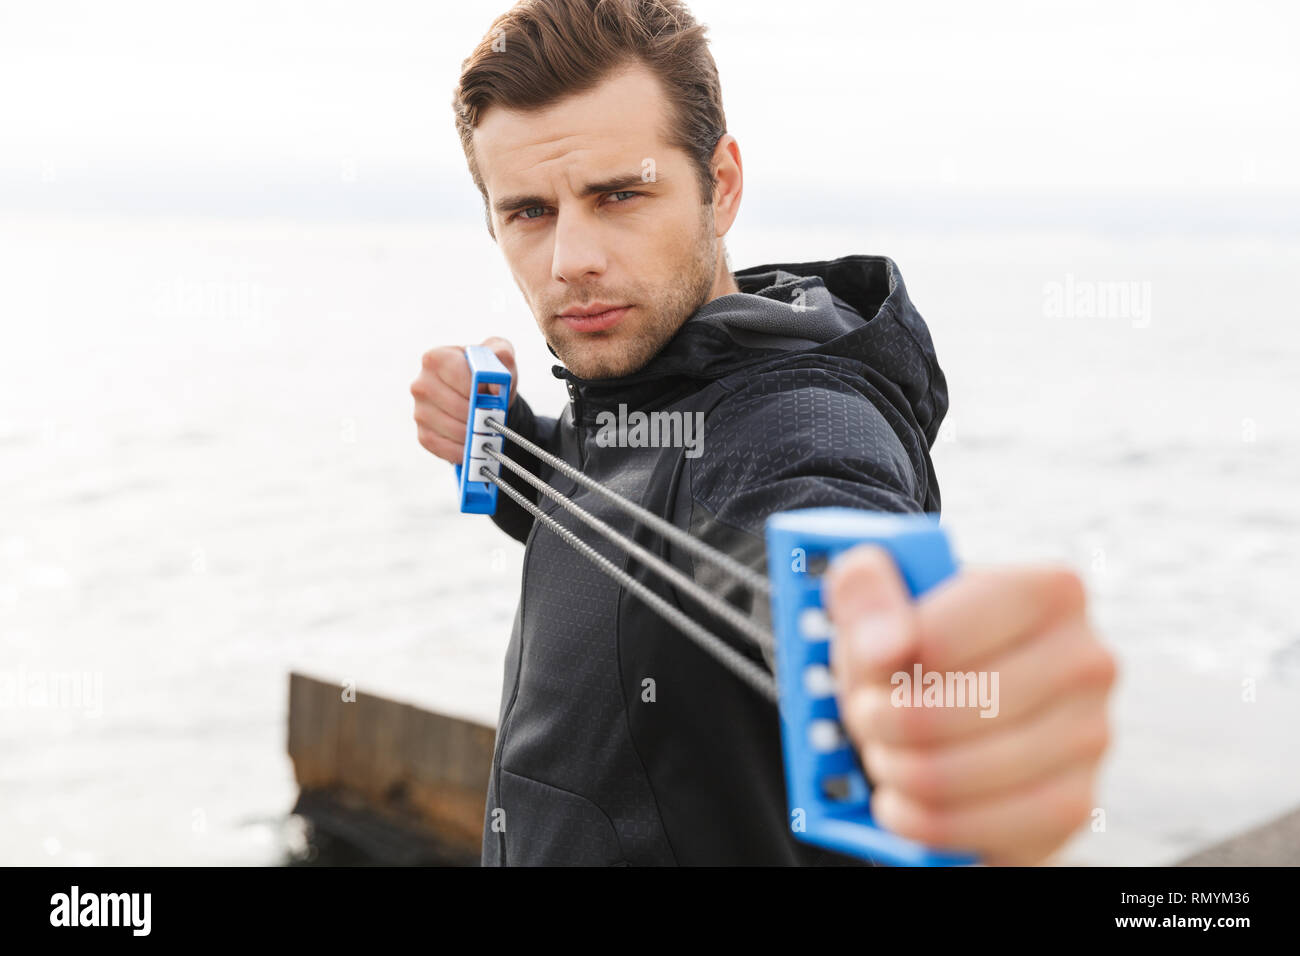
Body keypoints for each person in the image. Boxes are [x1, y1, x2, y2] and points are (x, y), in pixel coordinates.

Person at [411, 0, 1116, 866]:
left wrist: (957, 706)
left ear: (724, 185)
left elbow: (832, 553)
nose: (570, 260)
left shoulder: (798, 428)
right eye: (529, 213)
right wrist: (512, 443)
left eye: (619, 194)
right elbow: (638, 515)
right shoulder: (645, 383)